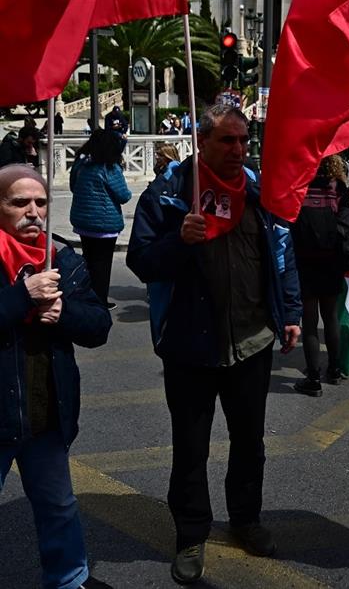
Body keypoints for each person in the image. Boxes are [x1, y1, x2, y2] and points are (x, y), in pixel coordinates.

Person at [126, 104, 303, 585]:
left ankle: (246, 519)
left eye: (244, 141)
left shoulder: (257, 190)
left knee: (250, 442)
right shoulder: (168, 193)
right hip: (189, 348)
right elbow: (141, 261)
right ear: (200, 141)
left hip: (251, 342)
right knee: (190, 448)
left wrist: (290, 313)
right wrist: (178, 240)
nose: (238, 150)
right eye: (228, 141)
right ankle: (190, 534)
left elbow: (282, 255)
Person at [0, 164, 113, 589]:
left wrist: (65, 314)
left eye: (41, 202)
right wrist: (19, 298)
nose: (33, 212)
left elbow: (99, 325)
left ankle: (68, 579)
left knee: (59, 507)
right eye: (19, 203)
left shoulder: (61, 257)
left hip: (46, 414)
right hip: (0, 413)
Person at [292, 155, 349, 397]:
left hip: (305, 259)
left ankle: (313, 378)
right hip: (332, 258)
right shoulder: (337, 186)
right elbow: (347, 217)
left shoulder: (299, 184)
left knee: (310, 322)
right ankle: (334, 370)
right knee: (331, 316)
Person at [69, 130, 132, 310]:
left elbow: (74, 187)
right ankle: (99, 302)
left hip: (82, 222)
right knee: (102, 265)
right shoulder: (109, 168)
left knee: (88, 260)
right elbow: (124, 195)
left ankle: (86, 296)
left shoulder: (81, 164)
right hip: (104, 224)